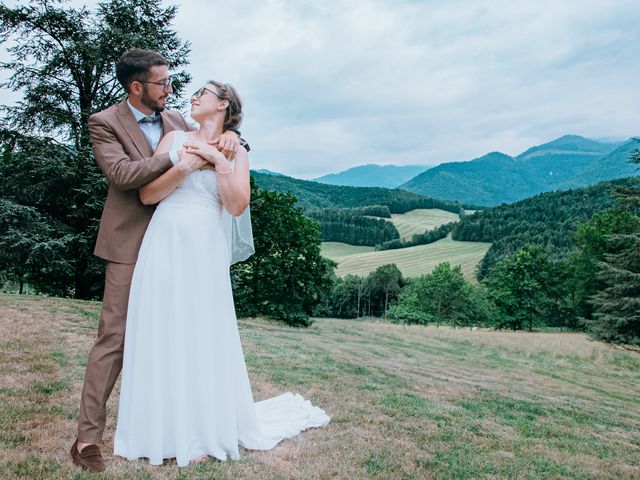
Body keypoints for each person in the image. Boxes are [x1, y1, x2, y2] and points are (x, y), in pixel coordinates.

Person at [113, 80, 330, 467]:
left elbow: (234, 206)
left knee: (199, 330)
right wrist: (187, 165)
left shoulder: (236, 149)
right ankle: (155, 429)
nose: (193, 96)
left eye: (204, 92)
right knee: (160, 328)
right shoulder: (173, 138)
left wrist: (219, 161)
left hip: (203, 249)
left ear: (224, 104)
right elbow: (148, 195)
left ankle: (199, 429)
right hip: (163, 241)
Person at [71, 48, 244, 473]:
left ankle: (172, 426)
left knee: (177, 335)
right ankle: (87, 440)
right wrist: (178, 158)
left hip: (180, 245)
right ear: (136, 87)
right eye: (162, 83)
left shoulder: (176, 121)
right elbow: (123, 176)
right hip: (132, 242)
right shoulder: (104, 123)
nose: (171, 89)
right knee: (115, 339)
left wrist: (234, 139)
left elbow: (214, 133)